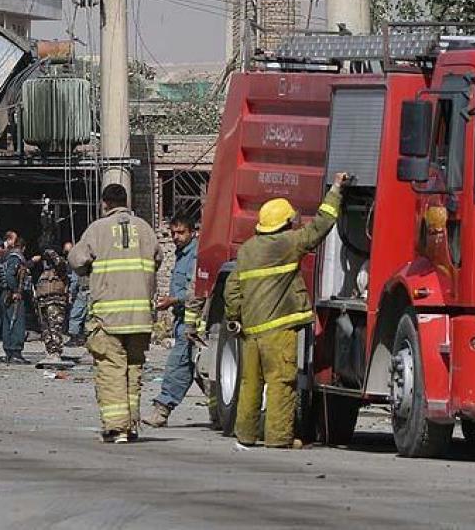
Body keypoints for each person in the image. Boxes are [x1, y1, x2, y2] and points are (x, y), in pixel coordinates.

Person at [224, 173, 349, 449]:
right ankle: (278, 438)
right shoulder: (286, 244)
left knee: (250, 384)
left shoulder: (246, 250)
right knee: (281, 382)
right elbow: (320, 227)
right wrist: (337, 191)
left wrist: (235, 318)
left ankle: (245, 435)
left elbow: (231, 290)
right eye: (290, 220)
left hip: (251, 332)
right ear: (283, 224)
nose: (294, 222)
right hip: (278, 330)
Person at [68, 183, 161, 444]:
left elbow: (77, 260)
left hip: (108, 318)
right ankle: (130, 425)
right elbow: (158, 259)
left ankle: (116, 427)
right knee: (133, 369)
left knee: (111, 369)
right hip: (140, 317)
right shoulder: (145, 229)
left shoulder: (97, 229)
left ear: (104, 203)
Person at [143, 214, 202, 428]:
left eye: (181, 233)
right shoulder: (182, 254)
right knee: (199, 372)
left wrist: (172, 300)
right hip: (181, 320)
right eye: (172, 233)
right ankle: (221, 415)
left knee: (178, 366)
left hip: (192, 322)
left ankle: (162, 410)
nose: (176, 237)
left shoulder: (195, 255)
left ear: (192, 232)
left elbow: (197, 291)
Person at [34, 249, 70, 362]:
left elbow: (60, 263)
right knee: (45, 329)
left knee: (55, 328)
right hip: (42, 301)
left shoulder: (60, 268)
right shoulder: (42, 270)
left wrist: (52, 253)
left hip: (55, 302)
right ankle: (50, 351)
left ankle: (56, 352)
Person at [1, 231, 30, 364]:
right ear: (23, 248)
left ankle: (9, 350)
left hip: (9, 293)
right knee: (16, 322)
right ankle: (15, 351)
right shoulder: (16, 258)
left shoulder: (8, 256)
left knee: (9, 321)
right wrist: (15, 291)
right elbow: (9, 275)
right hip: (13, 295)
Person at [64, 241, 89, 347]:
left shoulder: (76, 262)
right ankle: (85, 336)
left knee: (75, 314)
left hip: (83, 291)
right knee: (89, 315)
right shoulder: (89, 260)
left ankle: (74, 337)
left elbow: (74, 280)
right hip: (92, 290)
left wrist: (71, 293)